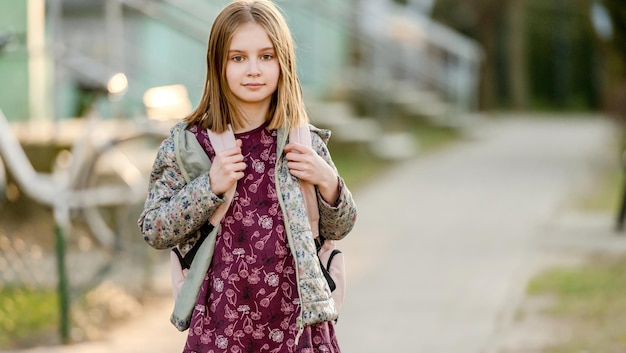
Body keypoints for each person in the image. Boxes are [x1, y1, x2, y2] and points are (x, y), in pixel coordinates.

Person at [137, 0, 357, 352]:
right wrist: (208, 187)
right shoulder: (191, 145)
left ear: (283, 63)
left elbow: (339, 228)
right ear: (218, 64)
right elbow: (153, 228)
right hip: (220, 327)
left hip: (298, 327)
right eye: (238, 57)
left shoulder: (304, 142)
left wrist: (328, 182)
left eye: (266, 56)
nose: (253, 69)